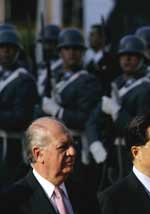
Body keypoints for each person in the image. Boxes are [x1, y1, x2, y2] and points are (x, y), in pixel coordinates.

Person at [9, 117, 107, 214]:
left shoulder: (85, 194)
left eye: (73, 145)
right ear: (38, 154)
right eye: (63, 147)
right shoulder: (13, 202)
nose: (72, 152)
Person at [86, 34, 150, 188]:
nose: (127, 60)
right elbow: (93, 119)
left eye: (132, 56)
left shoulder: (148, 89)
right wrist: (95, 143)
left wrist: (117, 112)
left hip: (131, 155)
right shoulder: (115, 84)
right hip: (110, 153)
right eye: (123, 56)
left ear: (142, 59)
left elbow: (141, 129)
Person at [36, 28, 102, 183]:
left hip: (75, 147)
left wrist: (58, 111)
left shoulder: (89, 81)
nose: (72, 53)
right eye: (67, 48)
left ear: (83, 53)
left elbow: (84, 119)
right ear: (60, 52)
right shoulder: (54, 77)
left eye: (76, 49)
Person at [0, 28, 38, 184]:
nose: (6, 51)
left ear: (17, 51)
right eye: (2, 47)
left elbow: (20, 118)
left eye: (11, 48)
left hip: (10, 147)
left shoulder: (24, 80)